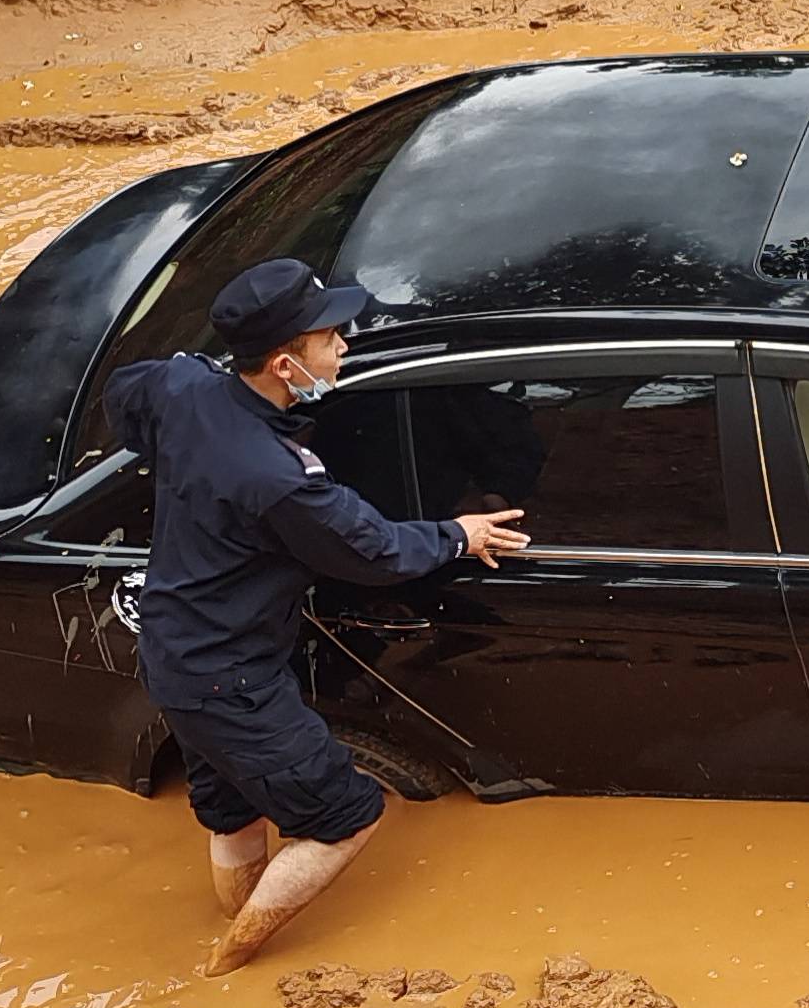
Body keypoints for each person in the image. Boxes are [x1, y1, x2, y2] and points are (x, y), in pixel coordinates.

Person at [103, 261, 528, 972]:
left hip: (174, 650)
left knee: (235, 810)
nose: (345, 351)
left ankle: (234, 921)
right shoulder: (276, 477)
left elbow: (125, 391)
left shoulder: (185, 387)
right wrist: (461, 535)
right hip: (230, 676)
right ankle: (227, 965)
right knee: (345, 816)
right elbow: (370, 549)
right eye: (332, 339)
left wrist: (170, 459)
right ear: (283, 363)